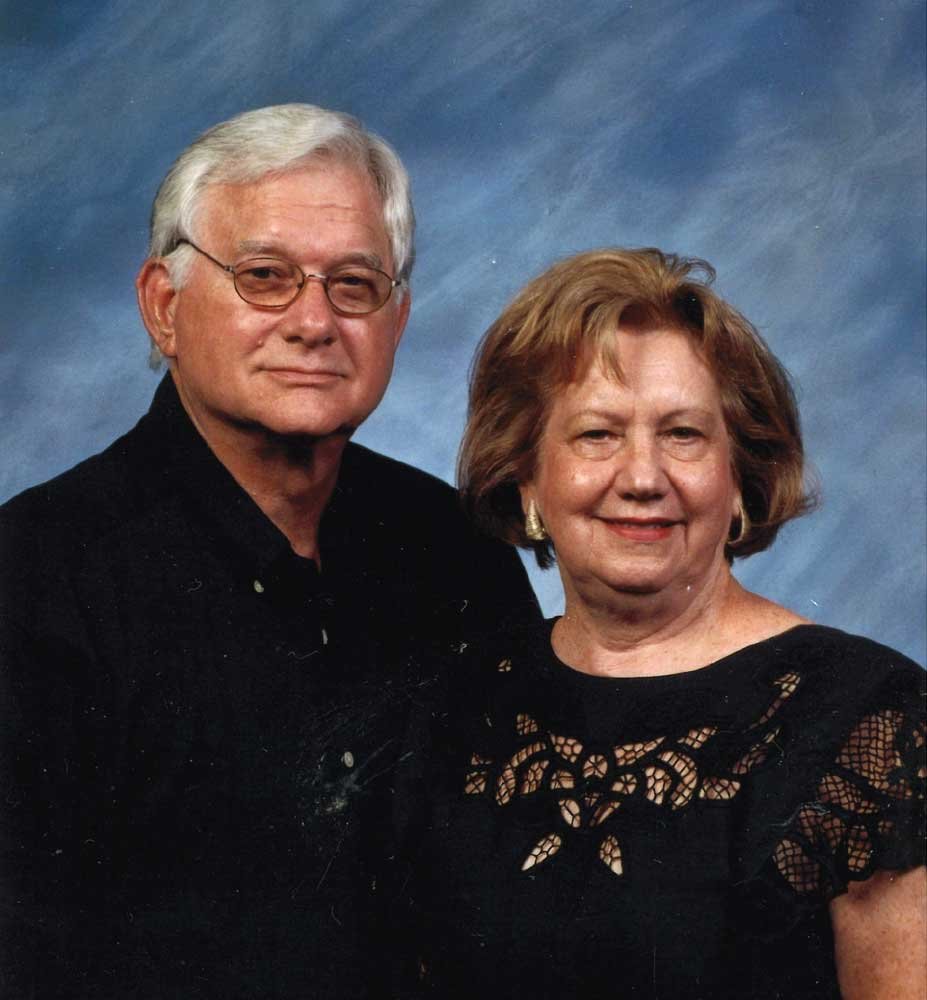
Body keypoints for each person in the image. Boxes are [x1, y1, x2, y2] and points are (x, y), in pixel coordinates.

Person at [0, 104, 539, 999]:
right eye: (265, 277)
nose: (313, 322)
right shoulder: (33, 580)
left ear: (398, 319)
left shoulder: (459, 550)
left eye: (354, 285)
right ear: (163, 307)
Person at [394, 248, 926, 998]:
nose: (642, 478)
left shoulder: (871, 717)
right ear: (527, 478)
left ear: (738, 477)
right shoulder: (456, 707)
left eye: (683, 434)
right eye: (596, 434)